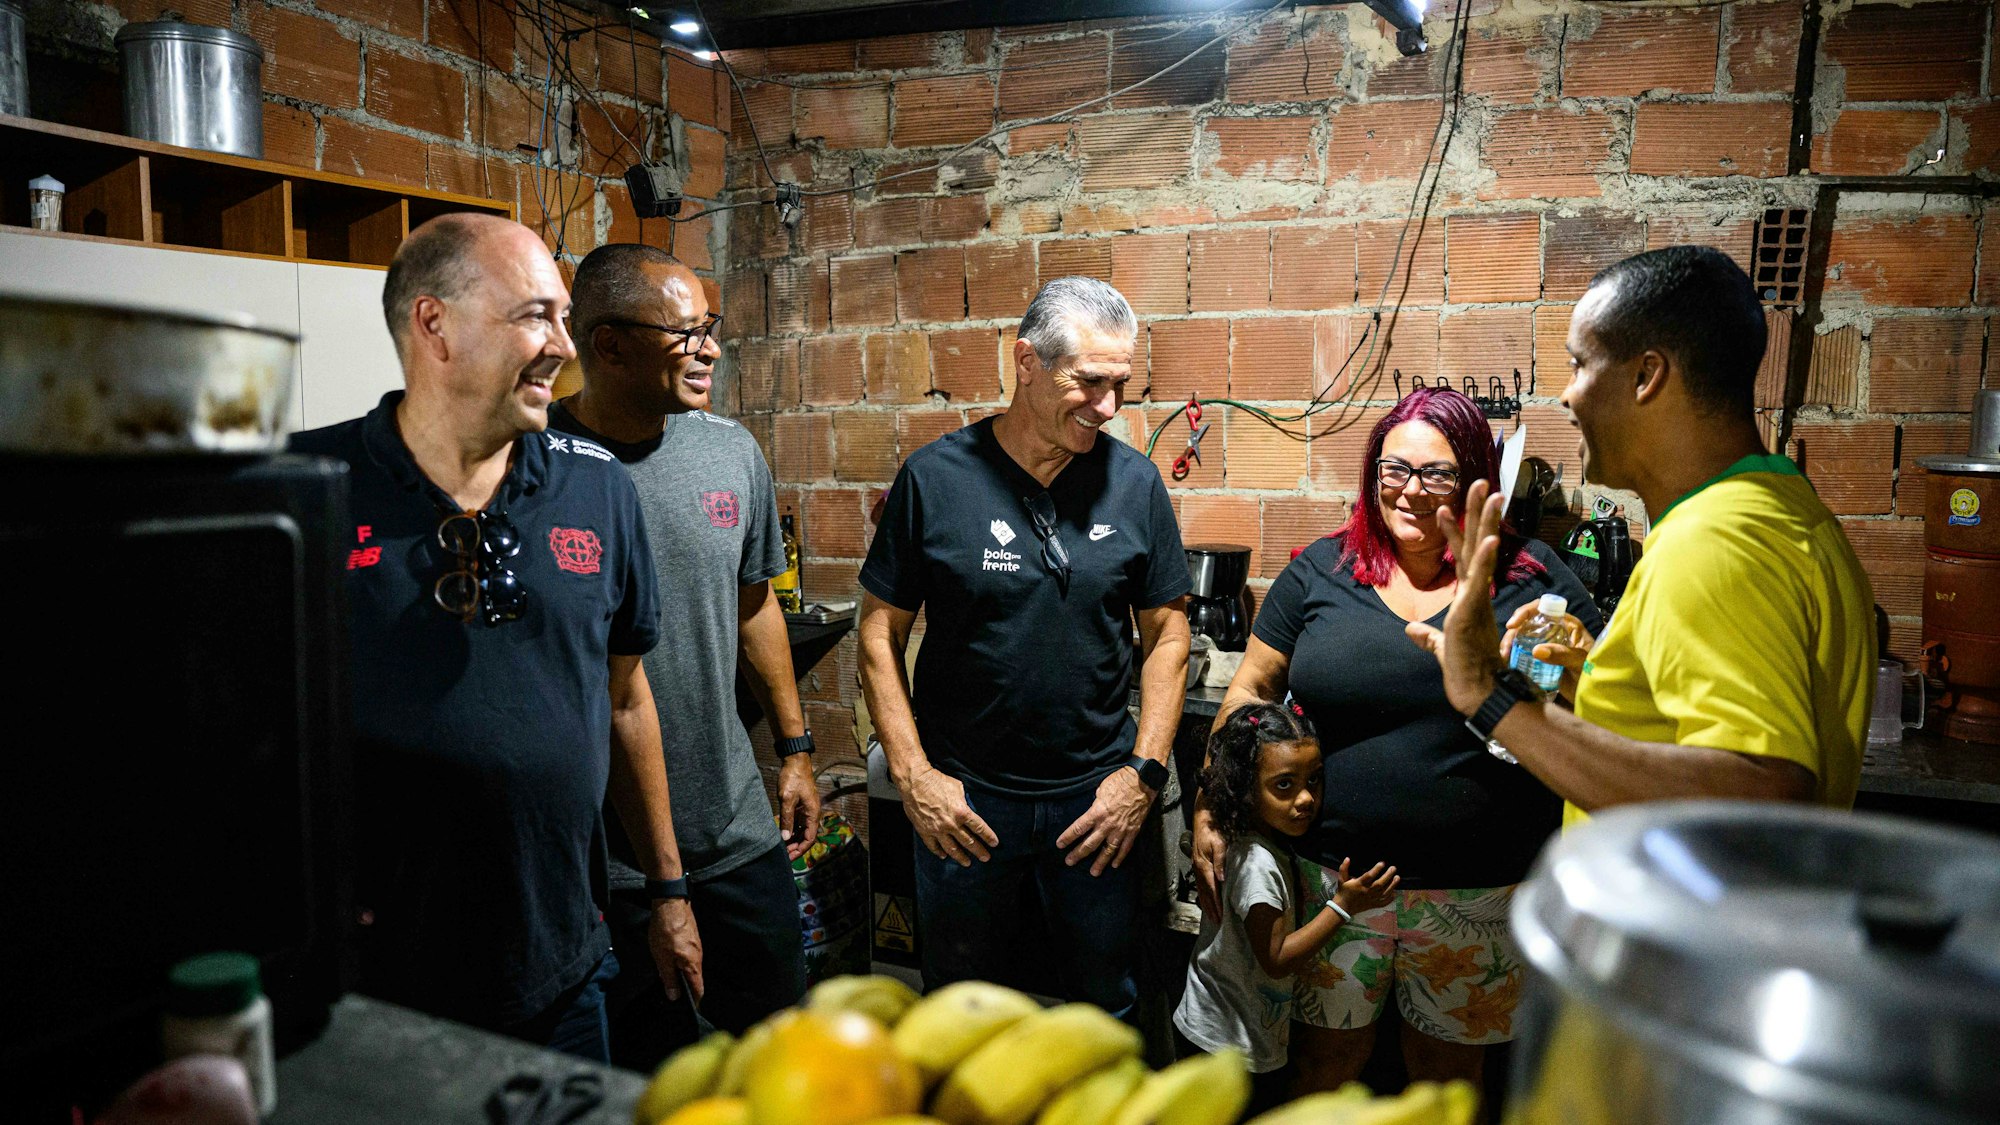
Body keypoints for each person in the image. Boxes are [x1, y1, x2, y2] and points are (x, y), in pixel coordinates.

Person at [289, 214, 698, 1061]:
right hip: (370, 984)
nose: (562, 344)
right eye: (534, 316)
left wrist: (668, 888)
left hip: (559, 970)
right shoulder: (306, 489)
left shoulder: (600, 491)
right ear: (433, 325)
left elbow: (624, 697)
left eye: (563, 317)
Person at [1193, 387, 1602, 1093]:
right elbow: (1249, 690)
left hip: (1478, 892)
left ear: (1476, 479)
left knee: (1447, 1083)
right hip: (1330, 885)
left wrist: (1563, 662)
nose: (1410, 491)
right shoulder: (1321, 570)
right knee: (1325, 1070)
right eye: (1393, 469)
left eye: (1436, 473)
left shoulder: (1527, 575)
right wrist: (1211, 804)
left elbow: (1598, 695)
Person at [1406, 244, 1873, 828]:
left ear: (1647, 376)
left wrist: (1487, 696)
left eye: (1580, 364)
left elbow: (1762, 799)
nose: (1567, 395)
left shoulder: (1715, 542)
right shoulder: (1782, 507)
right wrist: (1609, 682)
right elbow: (1691, 750)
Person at [856, 276, 1191, 1019]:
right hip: (965, 805)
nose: (1107, 408)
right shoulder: (935, 480)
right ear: (1027, 362)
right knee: (961, 1009)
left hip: (1096, 808)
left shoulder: (1133, 484)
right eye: (1089, 382)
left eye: (1120, 387)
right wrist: (913, 778)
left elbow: (1168, 632)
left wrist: (1142, 774)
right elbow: (879, 632)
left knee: (1109, 1006)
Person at [550, 243, 817, 1064]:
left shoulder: (729, 449)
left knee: (786, 1061)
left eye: (711, 327)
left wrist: (796, 746)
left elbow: (754, 602)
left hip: (736, 829)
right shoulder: (535, 467)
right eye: (684, 331)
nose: (708, 348)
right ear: (609, 345)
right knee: (655, 1079)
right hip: (611, 864)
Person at [1174, 702, 1399, 1116]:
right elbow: (1276, 959)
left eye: (1313, 779)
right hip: (1226, 1045)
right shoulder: (1257, 863)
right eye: (1284, 785)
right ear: (1244, 788)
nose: (1306, 798)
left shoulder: (1257, 839)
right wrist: (1343, 906)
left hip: (1227, 1028)